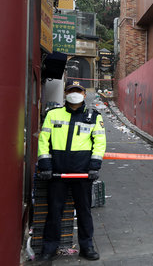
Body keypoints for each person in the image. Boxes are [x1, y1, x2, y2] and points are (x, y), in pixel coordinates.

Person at [37, 79, 106, 261]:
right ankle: (49, 248)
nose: (74, 93)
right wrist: (45, 165)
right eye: (71, 90)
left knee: (84, 211)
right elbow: (43, 140)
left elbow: (99, 143)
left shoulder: (93, 116)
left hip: (83, 173)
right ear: (66, 94)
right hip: (57, 173)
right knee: (54, 211)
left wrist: (94, 167)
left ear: (84, 94)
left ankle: (87, 247)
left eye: (78, 90)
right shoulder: (53, 114)